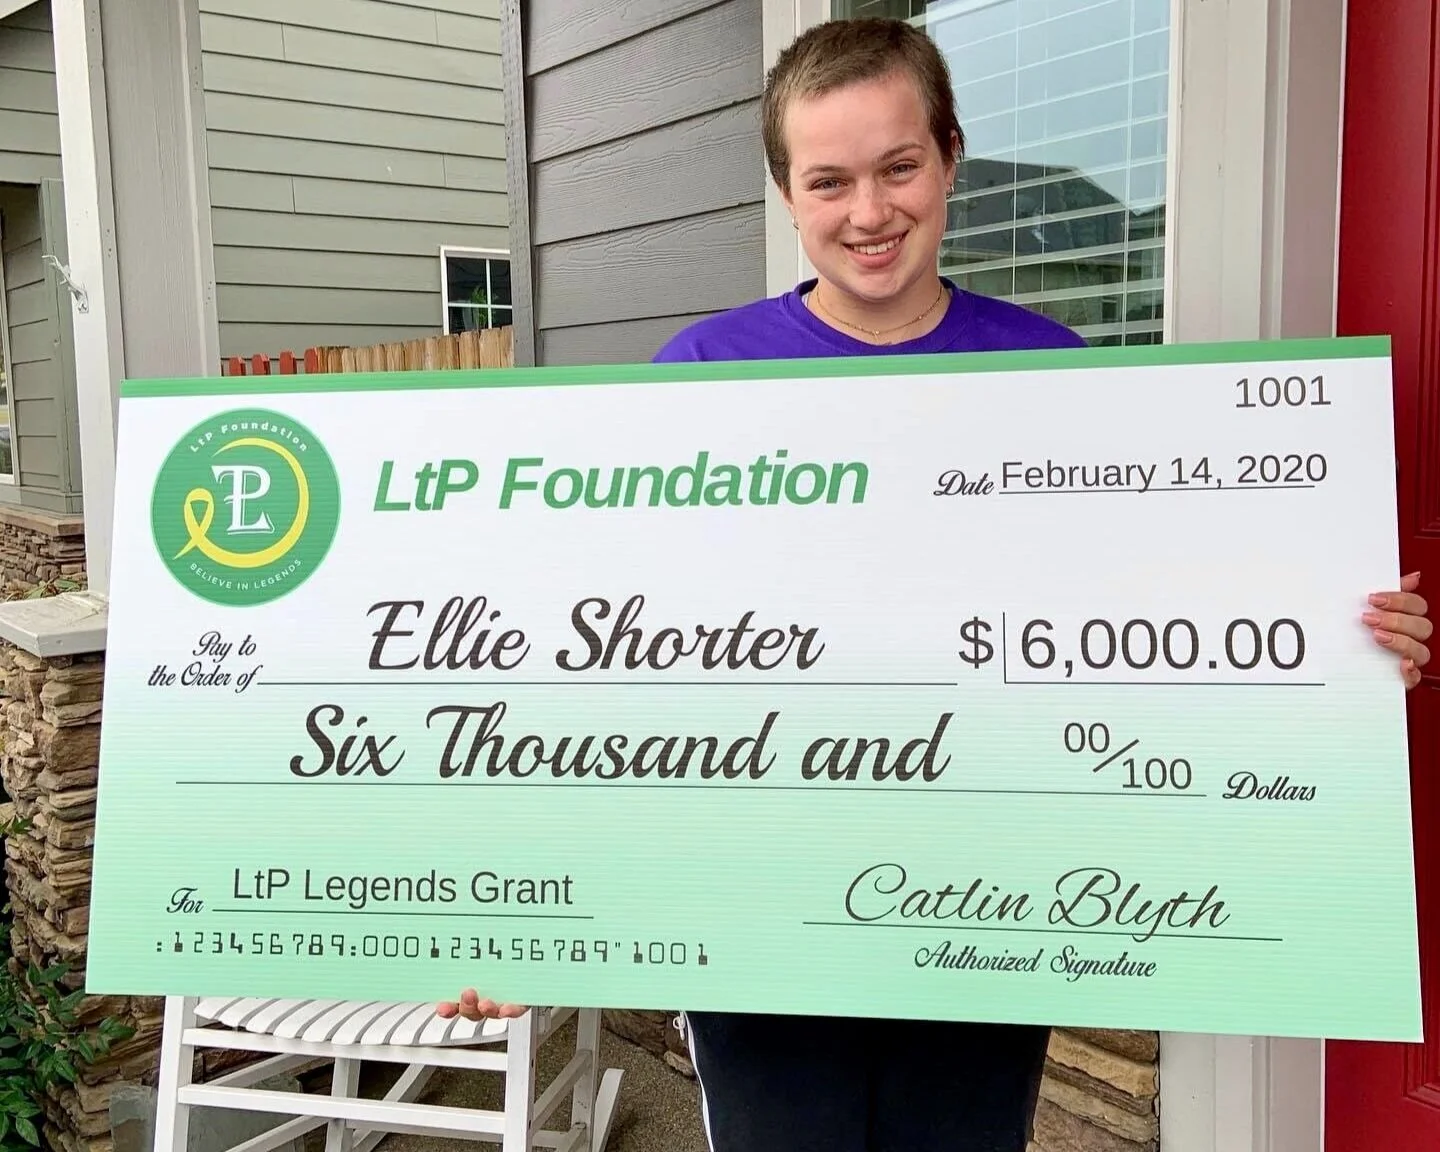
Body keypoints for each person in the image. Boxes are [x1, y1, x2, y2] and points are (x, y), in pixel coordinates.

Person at [437, 17, 1433, 1151]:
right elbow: (609, 663)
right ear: (787, 193)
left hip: (985, 905)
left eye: (899, 166)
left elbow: (1153, 621)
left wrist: (1337, 657)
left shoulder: (1052, 374)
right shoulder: (702, 378)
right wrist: (529, 904)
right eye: (830, 180)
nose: (869, 211)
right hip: (759, 914)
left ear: (951, 157)